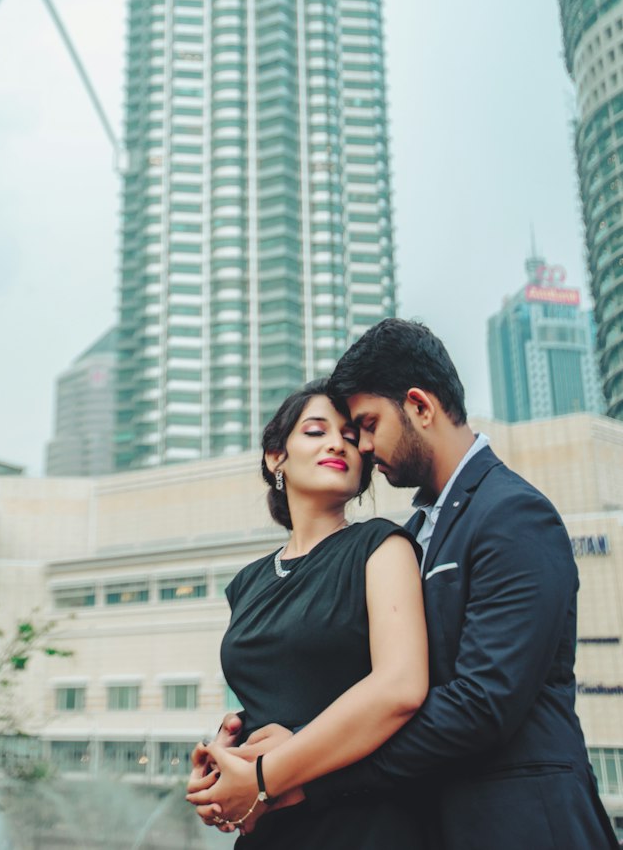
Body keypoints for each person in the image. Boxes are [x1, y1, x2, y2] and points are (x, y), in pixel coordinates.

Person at [200, 320, 617, 850]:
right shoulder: (416, 530)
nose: (363, 448)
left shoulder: (512, 513)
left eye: (366, 426)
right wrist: (233, 755)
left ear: (420, 406)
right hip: (426, 817)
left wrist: (289, 776)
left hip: (518, 820)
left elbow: (480, 702)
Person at [185, 378, 429, 848]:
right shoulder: (247, 582)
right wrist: (222, 763)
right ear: (276, 456)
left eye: (350, 436)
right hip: (268, 827)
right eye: (316, 431)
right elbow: (278, 692)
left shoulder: (381, 545)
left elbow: (400, 688)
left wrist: (260, 777)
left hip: (360, 822)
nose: (338, 442)